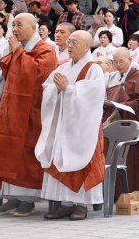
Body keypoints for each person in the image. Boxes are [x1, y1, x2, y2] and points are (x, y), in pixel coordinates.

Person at [0, 13, 59, 217]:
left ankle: (28, 200)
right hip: (12, 107)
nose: (14, 28)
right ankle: (11, 197)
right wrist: (15, 53)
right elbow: (7, 72)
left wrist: (18, 53)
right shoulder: (19, 48)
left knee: (26, 154)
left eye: (19, 25)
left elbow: (37, 75)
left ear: (33, 28)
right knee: (8, 151)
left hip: (32, 110)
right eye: (13, 25)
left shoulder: (46, 50)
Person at [35, 30, 106, 220]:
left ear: (86, 46)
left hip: (84, 127)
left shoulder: (94, 69)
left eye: (74, 42)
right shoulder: (63, 67)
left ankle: (81, 204)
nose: (70, 45)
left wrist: (68, 89)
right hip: (62, 124)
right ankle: (65, 202)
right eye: (69, 42)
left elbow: (94, 95)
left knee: (81, 160)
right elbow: (47, 88)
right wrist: (57, 90)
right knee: (59, 157)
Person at [104, 47, 139, 197]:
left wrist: (125, 105)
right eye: (115, 62)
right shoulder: (113, 76)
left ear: (130, 60)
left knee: (129, 157)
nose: (118, 64)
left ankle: (129, 191)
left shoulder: (138, 77)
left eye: (121, 61)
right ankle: (111, 192)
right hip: (113, 121)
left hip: (129, 123)